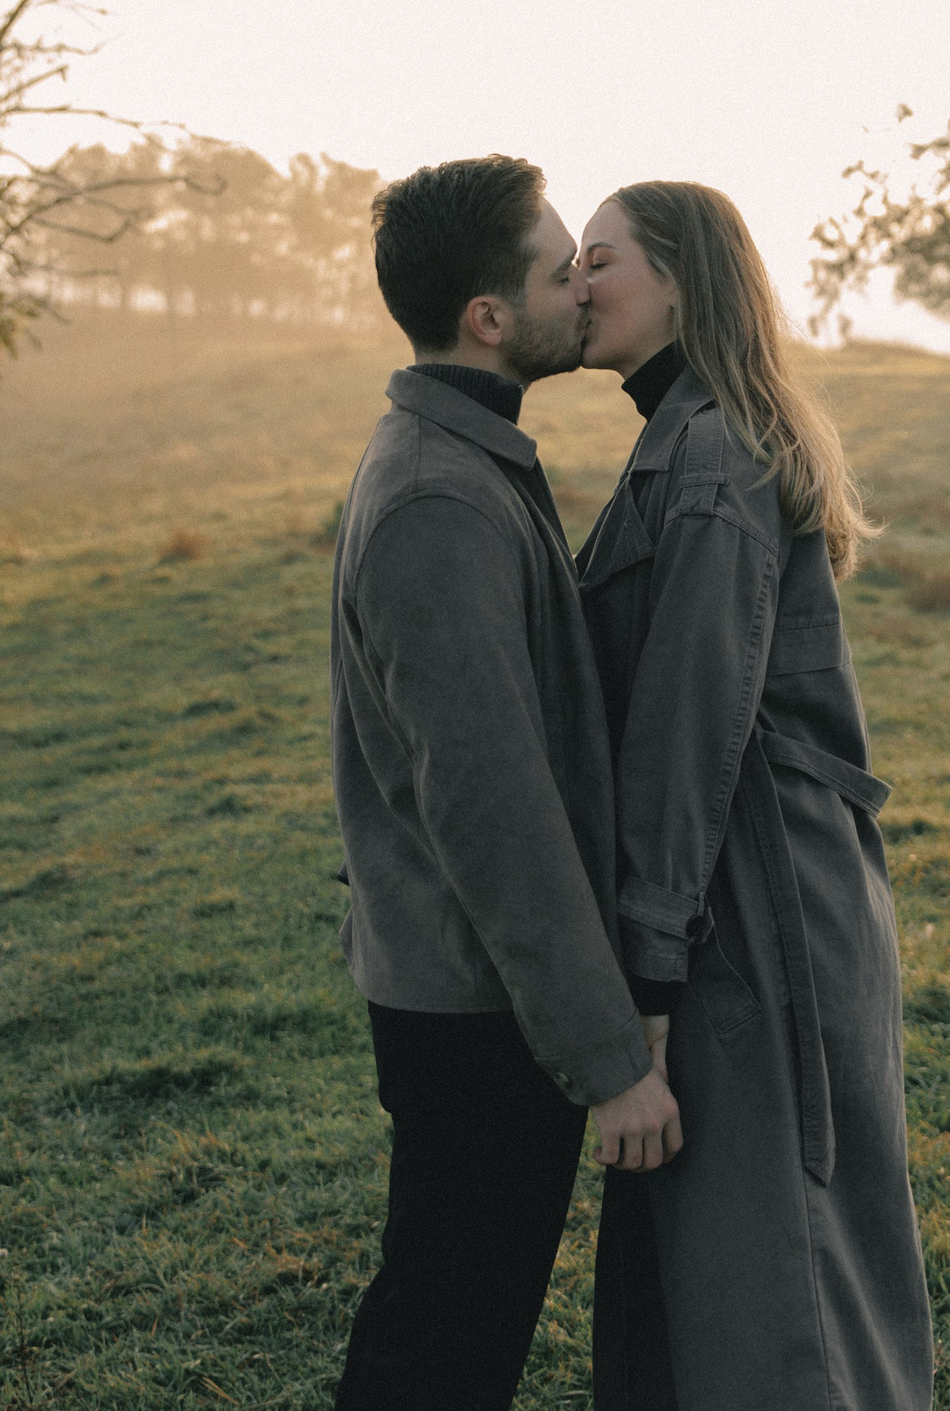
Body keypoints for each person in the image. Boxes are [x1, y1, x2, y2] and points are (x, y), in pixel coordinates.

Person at [327, 154, 682, 1411]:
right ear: (488, 318)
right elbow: (491, 813)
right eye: (556, 271)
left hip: (473, 991)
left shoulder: (460, 460)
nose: (581, 289)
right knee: (444, 1344)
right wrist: (609, 1060)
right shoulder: (439, 500)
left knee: (448, 1323)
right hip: (474, 1010)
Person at [574, 181, 933, 1408]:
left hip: (754, 914)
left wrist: (648, 978)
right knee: (736, 1261)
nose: (575, 283)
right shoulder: (683, 439)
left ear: (680, 284)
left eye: (601, 259)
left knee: (780, 1281)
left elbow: (689, 730)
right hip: (751, 900)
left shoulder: (712, 458)